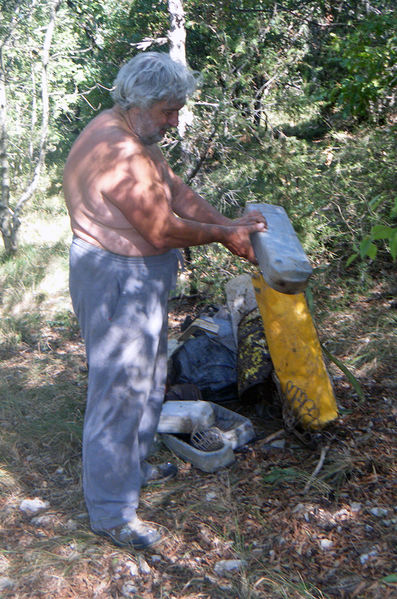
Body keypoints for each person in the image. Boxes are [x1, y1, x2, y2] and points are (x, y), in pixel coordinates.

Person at [63, 51, 266, 550]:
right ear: (138, 102)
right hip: (115, 278)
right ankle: (112, 512)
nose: (174, 121)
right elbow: (162, 228)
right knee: (118, 391)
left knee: (149, 377)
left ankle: (129, 469)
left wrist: (228, 224)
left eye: (177, 109)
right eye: (167, 111)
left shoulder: (133, 131)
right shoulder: (120, 149)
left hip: (135, 277)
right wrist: (223, 238)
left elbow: (175, 191)